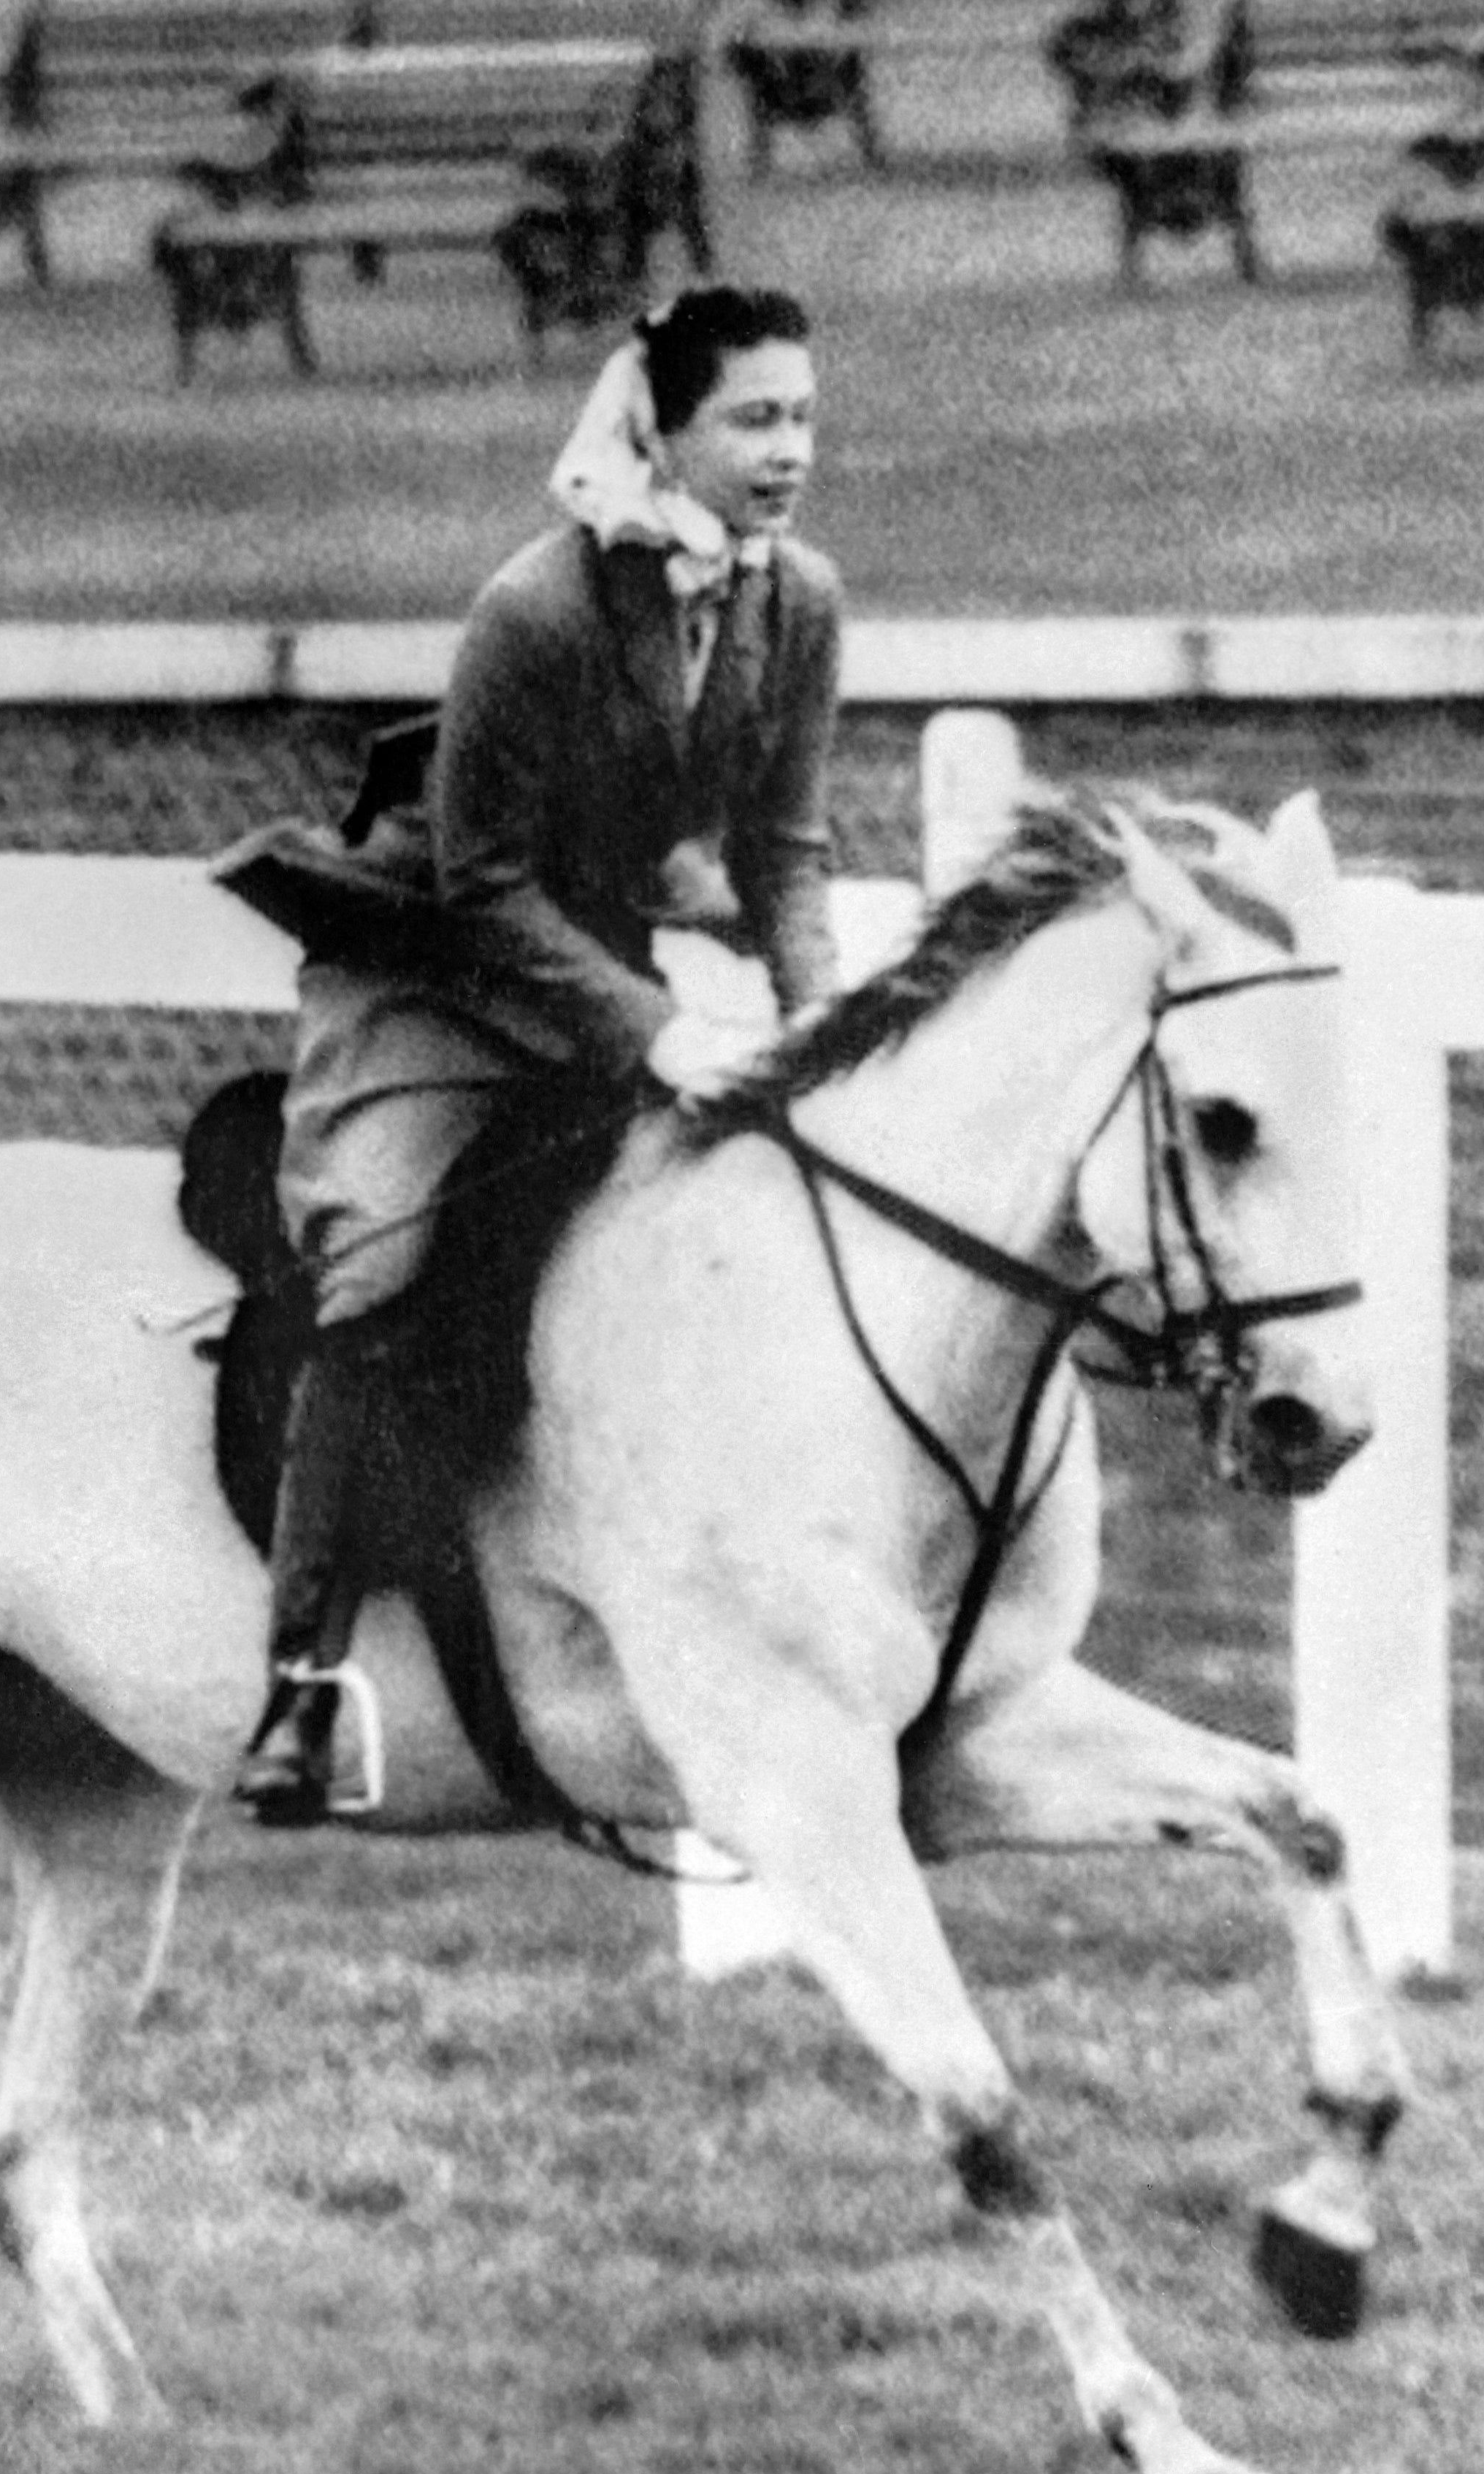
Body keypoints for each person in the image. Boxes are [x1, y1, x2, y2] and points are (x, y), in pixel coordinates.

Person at [236, 283, 845, 1823]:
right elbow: (481, 885)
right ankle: (299, 1685)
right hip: (442, 986)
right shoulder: (536, 610)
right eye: (751, 420)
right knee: (376, 1269)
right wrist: (660, 1034)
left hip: (600, 976)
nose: (787, 453)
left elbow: (783, 847)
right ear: (664, 428)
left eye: (802, 419)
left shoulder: (801, 601)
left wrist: (825, 1027)